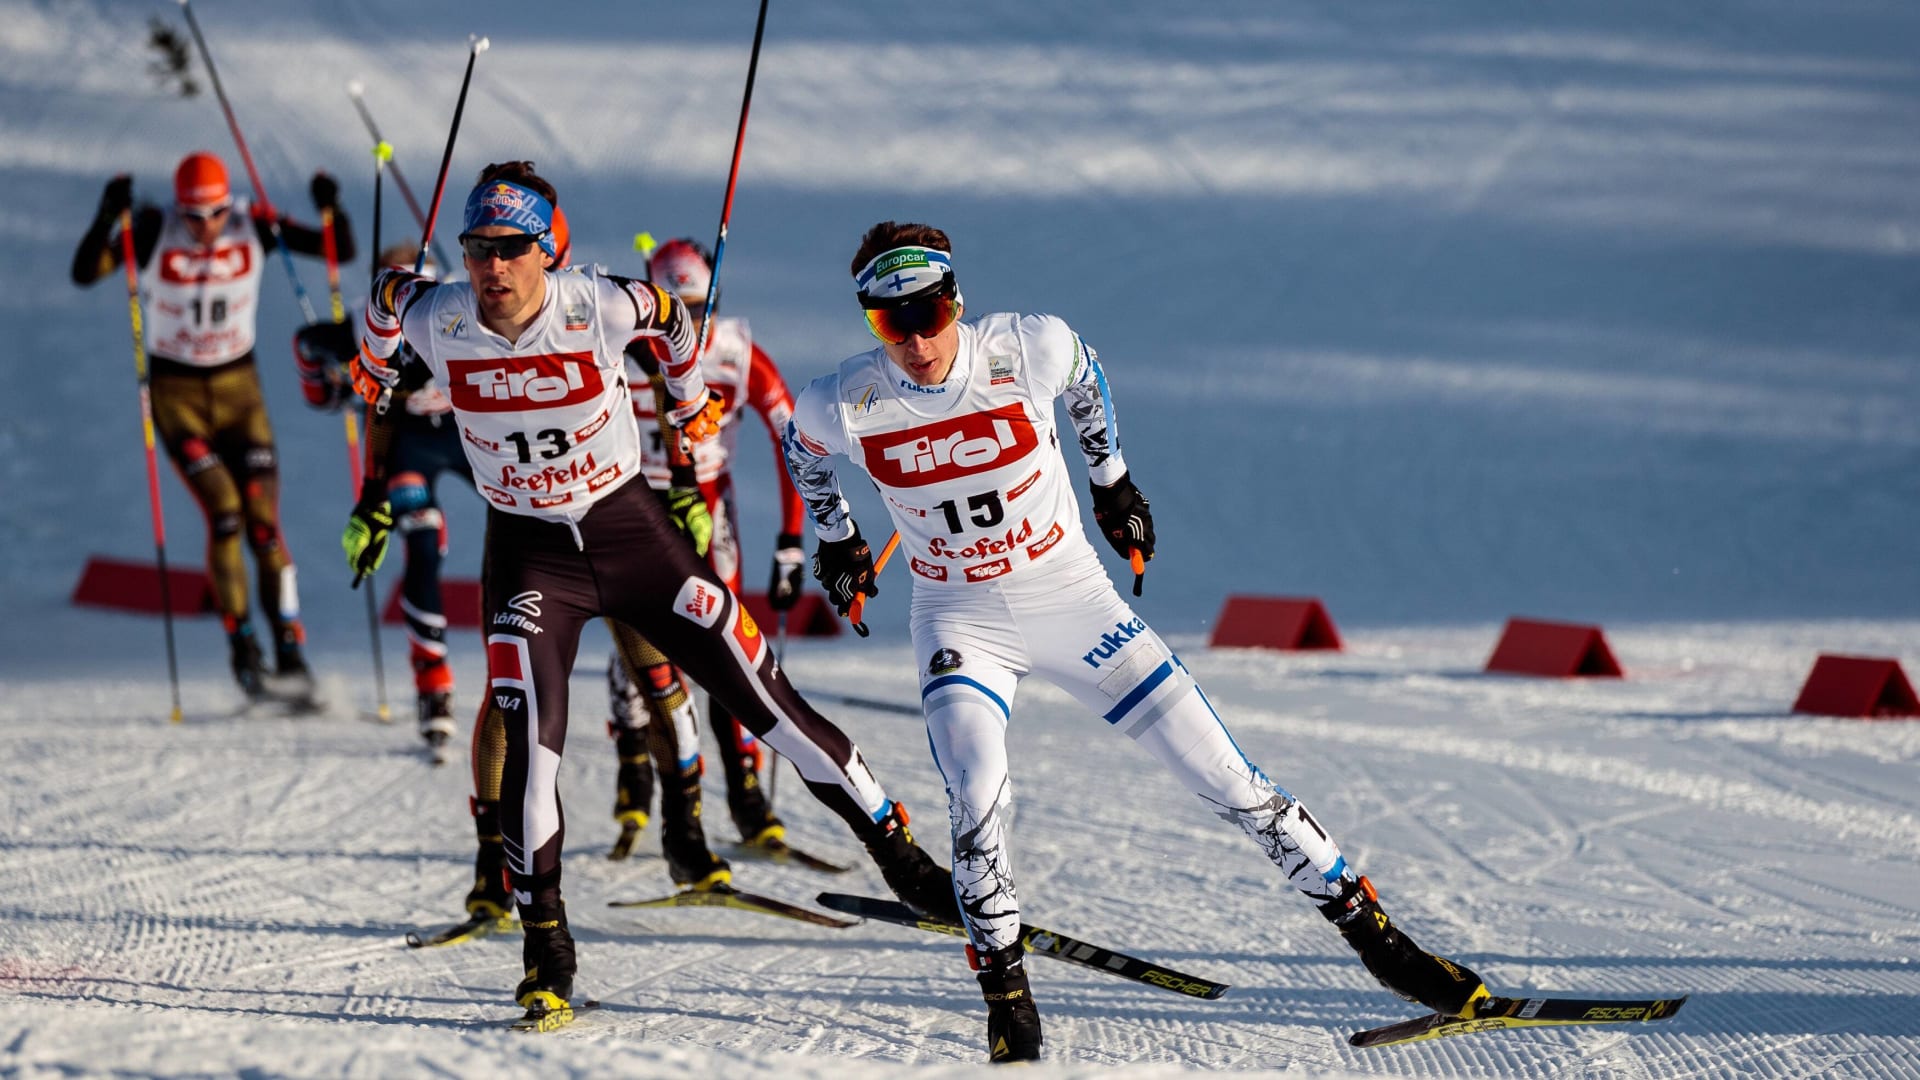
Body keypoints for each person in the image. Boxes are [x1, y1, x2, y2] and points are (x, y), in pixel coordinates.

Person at [783, 222, 1488, 1063]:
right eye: (889, 323)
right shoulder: (844, 400)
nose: (916, 341)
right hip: (959, 617)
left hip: (1071, 599)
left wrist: (1112, 482)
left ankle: (1385, 947)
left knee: (1230, 781)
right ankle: (1006, 997)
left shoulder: (1025, 347)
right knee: (976, 799)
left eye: (928, 314)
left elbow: (1087, 377)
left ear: (956, 302)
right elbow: (802, 450)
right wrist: (836, 536)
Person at [343, 163, 955, 1028]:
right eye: (478, 249)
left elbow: (672, 319)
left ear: (547, 252)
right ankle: (546, 952)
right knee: (534, 749)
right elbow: (383, 297)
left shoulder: (596, 302)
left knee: (768, 702)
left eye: (513, 249)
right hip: (531, 556)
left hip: (630, 533)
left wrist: (688, 398)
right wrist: (373, 362)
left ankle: (907, 865)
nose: (493, 268)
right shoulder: (437, 314)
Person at [72, 151, 353, 701]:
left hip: (239, 393)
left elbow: (337, 249)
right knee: (225, 514)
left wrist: (331, 207)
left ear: (229, 204)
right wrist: (107, 216)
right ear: (179, 208)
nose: (205, 226)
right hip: (177, 395)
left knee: (264, 527)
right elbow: (86, 272)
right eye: (194, 216)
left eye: (215, 213)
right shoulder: (153, 229)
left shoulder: (253, 224)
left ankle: (290, 648)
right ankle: (243, 646)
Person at [605, 236, 810, 853]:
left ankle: (745, 793)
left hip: (707, 503)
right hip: (631, 501)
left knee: (726, 642)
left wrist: (791, 540)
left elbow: (793, 439)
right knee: (637, 643)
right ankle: (635, 768)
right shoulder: (616, 340)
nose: (687, 324)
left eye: (697, 309)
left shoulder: (735, 353)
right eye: (674, 310)